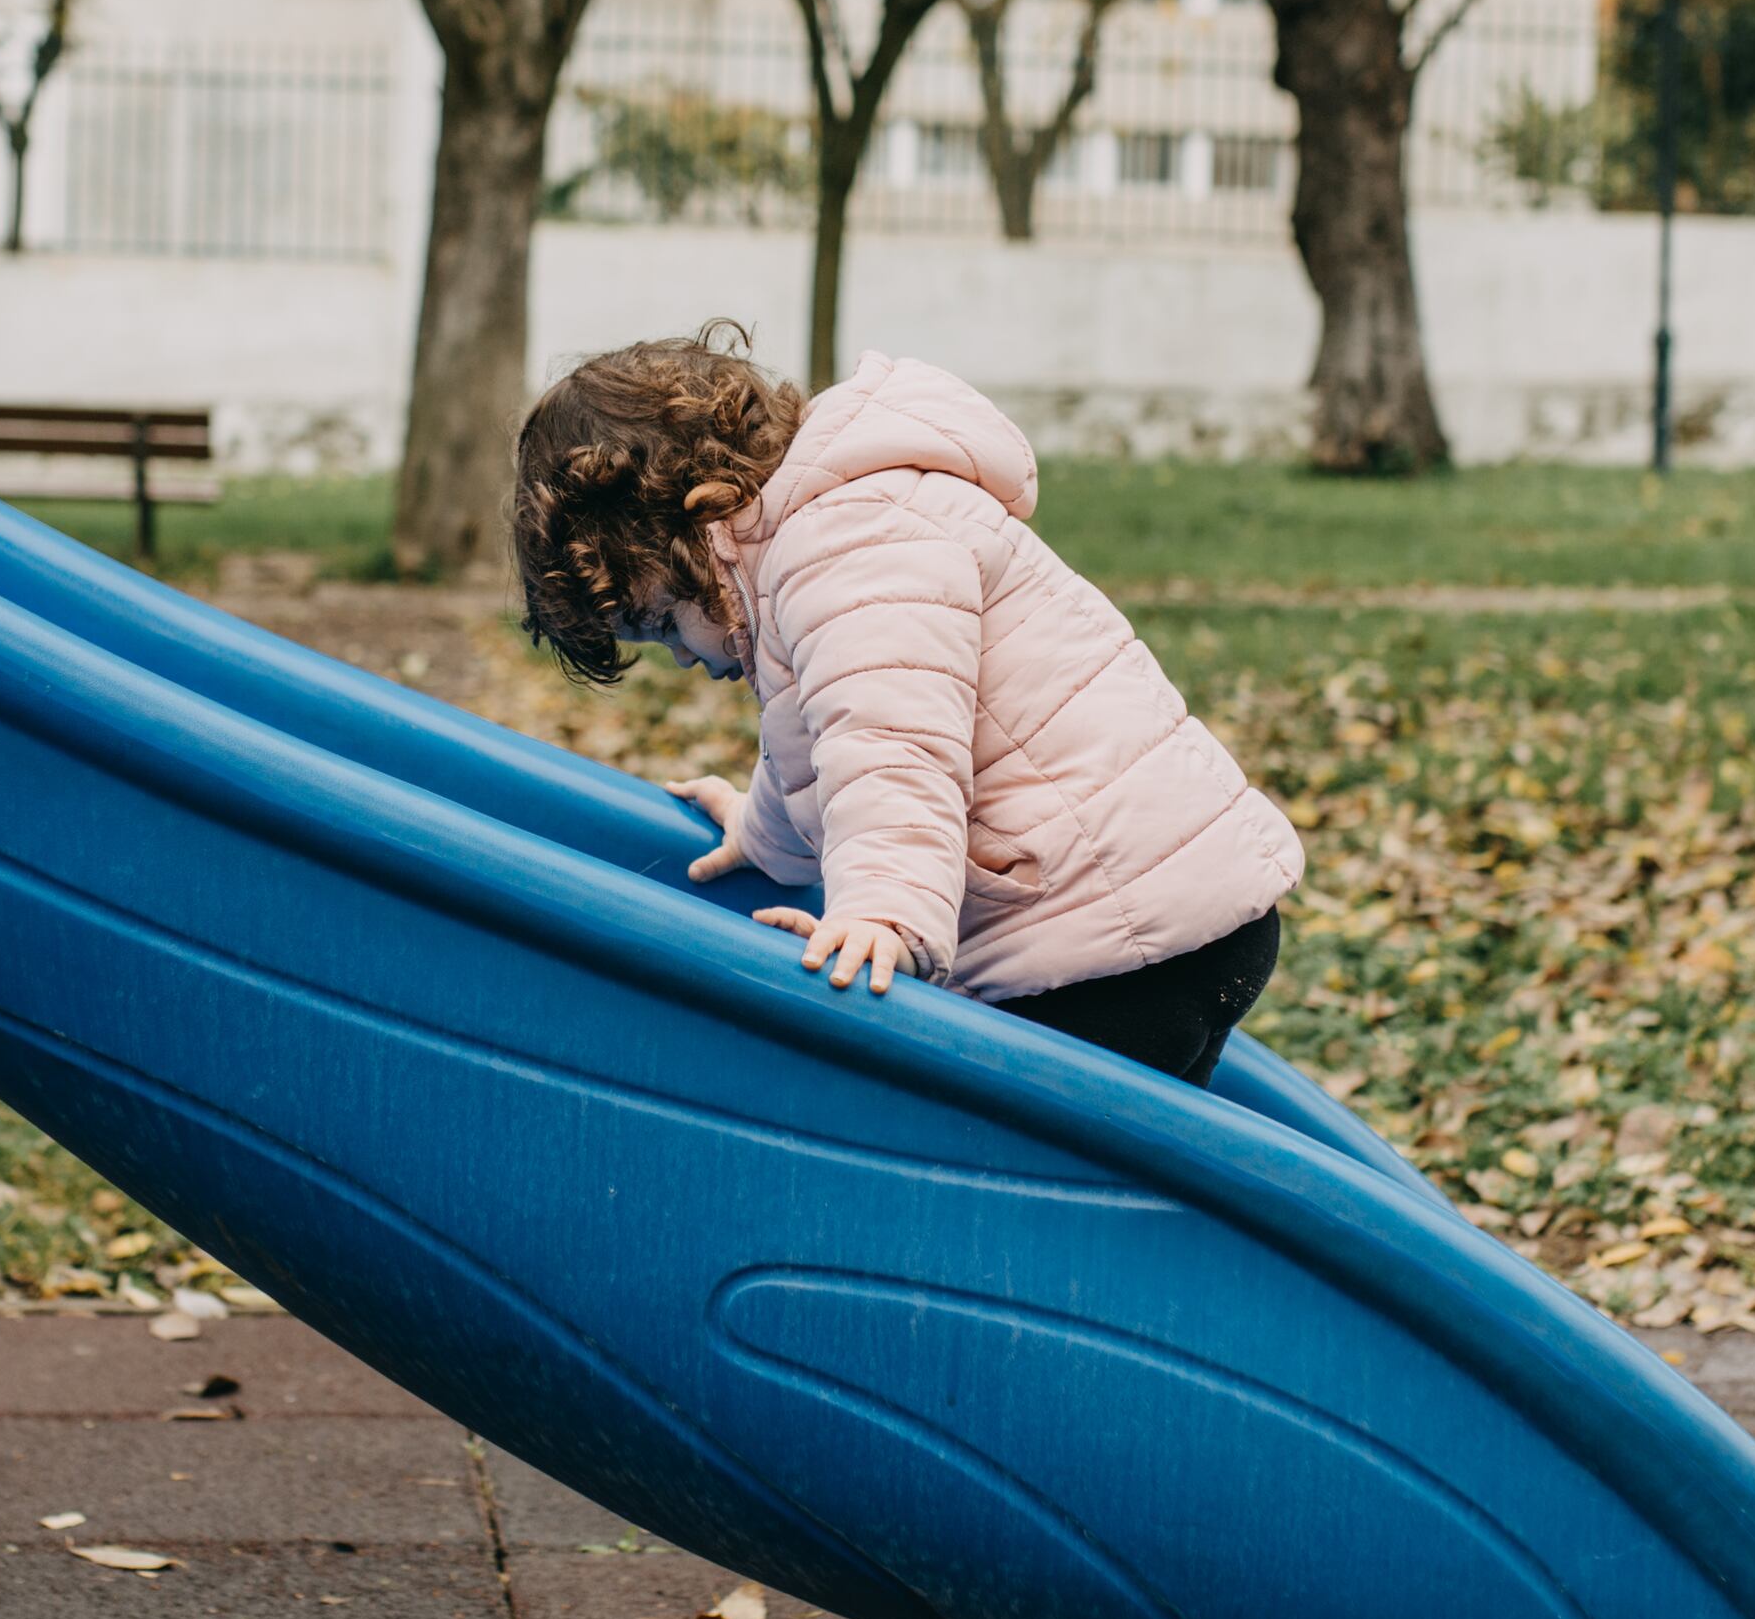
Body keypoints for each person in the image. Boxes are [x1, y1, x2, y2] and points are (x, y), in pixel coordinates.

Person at [510, 325, 1303, 1085]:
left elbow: (894, 750)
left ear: (704, 513)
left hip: (1112, 949)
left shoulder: (842, 546)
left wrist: (884, 913)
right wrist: (759, 834)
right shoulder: (819, 541)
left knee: (1007, 1181)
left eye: (664, 622)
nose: (683, 656)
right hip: (1164, 922)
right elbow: (825, 744)